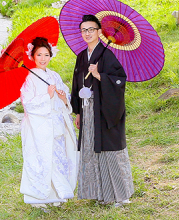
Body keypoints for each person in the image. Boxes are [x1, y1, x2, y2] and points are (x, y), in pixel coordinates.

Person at [70, 14, 134, 206]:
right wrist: (78, 112)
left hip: (105, 110)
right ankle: (100, 194)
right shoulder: (82, 56)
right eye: (84, 30)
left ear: (99, 32)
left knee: (110, 150)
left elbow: (119, 80)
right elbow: (76, 84)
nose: (87, 33)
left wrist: (99, 75)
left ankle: (121, 195)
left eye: (91, 29)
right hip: (87, 109)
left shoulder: (107, 55)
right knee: (90, 148)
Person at [19, 37, 79, 208]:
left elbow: (66, 98)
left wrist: (63, 98)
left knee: (59, 157)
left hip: (57, 123)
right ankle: (39, 199)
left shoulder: (54, 75)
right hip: (39, 127)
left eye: (46, 54)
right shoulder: (29, 78)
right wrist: (48, 96)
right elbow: (28, 104)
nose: (43, 58)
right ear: (33, 56)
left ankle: (57, 195)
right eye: (39, 54)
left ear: (51, 56)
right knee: (42, 160)